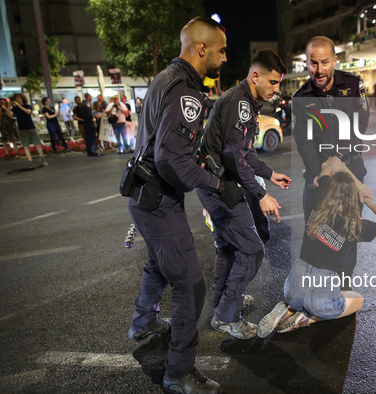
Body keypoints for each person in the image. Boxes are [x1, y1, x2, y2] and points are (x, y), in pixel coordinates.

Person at [127, 16, 236, 394]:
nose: (224, 57)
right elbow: (172, 160)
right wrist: (216, 183)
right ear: (201, 48)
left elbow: (167, 147)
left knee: (158, 264)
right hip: (158, 200)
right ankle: (179, 372)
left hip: (144, 196)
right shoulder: (187, 92)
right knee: (190, 285)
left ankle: (143, 323)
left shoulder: (164, 79)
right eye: (221, 50)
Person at [197, 49, 291, 339]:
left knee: (227, 247)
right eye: (273, 83)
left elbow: (246, 152)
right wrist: (260, 195)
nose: (277, 90)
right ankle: (227, 315)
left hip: (214, 184)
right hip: (220, 187)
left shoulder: (245, 100)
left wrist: (268, 173)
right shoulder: (240, 102)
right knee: (251, 249)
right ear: (255, 76)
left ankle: (223, 303)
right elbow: (233, 154)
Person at [257, 156, 376, 337]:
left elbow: (328, 166)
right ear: (352, 196)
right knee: (358, 300)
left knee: (300, 294)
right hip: (320, 296)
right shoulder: (355, 225)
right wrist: (367, 199)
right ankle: (308, 319)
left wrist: (331, 167)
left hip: (293, 287)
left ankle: (289, 308)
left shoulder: (320, 198)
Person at [292, 35, 370, 279]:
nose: (319, 70)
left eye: (324, 62)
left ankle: (343, 287)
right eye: (313, 63)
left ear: (335, 60)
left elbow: (362, 122)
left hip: (350, 172)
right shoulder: (300, 97)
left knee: (347, 233)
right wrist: (319, 172)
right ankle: (316, 287)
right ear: (306, 63)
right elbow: (303, 141)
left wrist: (340, 156)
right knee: (315, 233)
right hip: (318, 177)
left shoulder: (353, 84)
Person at [10, 93, 48, 166]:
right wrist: (9, 106)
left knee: (37, 144)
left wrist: (18, 105)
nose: (18, 99)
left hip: (31, 127)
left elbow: (28, 112)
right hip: (22, 128)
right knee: (25, 146)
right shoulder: (15, 108)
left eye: (19, 98)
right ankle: (30, 162)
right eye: (16, 98)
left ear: (22, 98)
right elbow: (9, 114)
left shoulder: (27, 106)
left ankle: (42, 159)